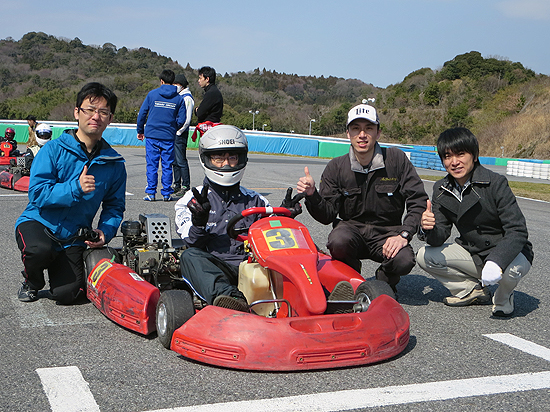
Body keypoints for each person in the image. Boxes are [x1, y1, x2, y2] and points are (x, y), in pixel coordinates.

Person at [296, 103, 428, 294]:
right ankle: (351, 279)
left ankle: (384, 281)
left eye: (368, 129)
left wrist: (404, 235)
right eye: (356, 129)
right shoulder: (336, 167)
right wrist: (312, 195)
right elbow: (327, 215)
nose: (362, 135)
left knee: (404, 260)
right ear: (348, 133)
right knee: (338, 241)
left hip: (387, 233)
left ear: (378, 133)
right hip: (352, 231)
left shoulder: (396, 160)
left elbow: (418, 200)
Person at [15, 82, 127, 305]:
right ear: (77, 112)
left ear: (110, 118)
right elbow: (37, 194)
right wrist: (74, 188)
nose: (96, 116)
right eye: (89, 109)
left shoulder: (114, 163)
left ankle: (65, 265)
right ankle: (32, 282)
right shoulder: (53, 149)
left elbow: (114, 206)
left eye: (103, 112)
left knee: (68, 294)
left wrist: (106, 231)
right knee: (38, 250)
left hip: (73, 236)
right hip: (38, 223)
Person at [416, 127, 533, 317]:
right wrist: (427, 228)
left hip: (510, 252)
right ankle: (471, 290)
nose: (454, 162)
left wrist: (497, 261)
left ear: (474, 155)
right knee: (425, 255)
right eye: (447, 156)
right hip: (474, 252)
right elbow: (439, 237)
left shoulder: (495, 183)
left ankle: (504, 297)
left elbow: (517, 230)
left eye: (461, 154)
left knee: (510, 271)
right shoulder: (441, 189)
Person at [174, 125, 269, 311]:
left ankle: (324, 294)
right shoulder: (190, 201)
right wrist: (199, 222)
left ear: (241, 159)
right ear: (207, 159)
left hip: (254, 268)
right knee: (189, 256)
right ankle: (230, 299)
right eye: (219, 158)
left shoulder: (257, 201)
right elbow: (191, 242)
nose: (226, 164)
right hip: (215, 268)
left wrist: (285, 219)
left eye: (232, 157)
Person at [137, 69, 187, 202]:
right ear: (173, 82)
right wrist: (172, 128)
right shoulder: (179, 99)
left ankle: (151, 193)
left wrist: (140, 130)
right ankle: (166, 193)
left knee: (152, 164)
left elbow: (142, 114)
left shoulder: (152, 95)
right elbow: (182, 119)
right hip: (168, 137)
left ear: (161, 81)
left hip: (152, 135)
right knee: (167, 165)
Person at [172, 73, 194, 198]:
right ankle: (177, 184)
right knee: (175, 161)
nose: (174, 86)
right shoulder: (179, 96)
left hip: (180, 133)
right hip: (176, 132)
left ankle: (185, 185)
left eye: (176, 84)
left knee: (181, 160)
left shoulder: (187, 98)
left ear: (181, 85)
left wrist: (179, 131)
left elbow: (187, 119)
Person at [190, 66, 223, 142]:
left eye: (200, 78)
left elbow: (200, 113)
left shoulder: (211, 93)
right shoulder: (214, 91)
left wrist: (196, 110)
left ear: (207, 79)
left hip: (209, 128)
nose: (199, 81)